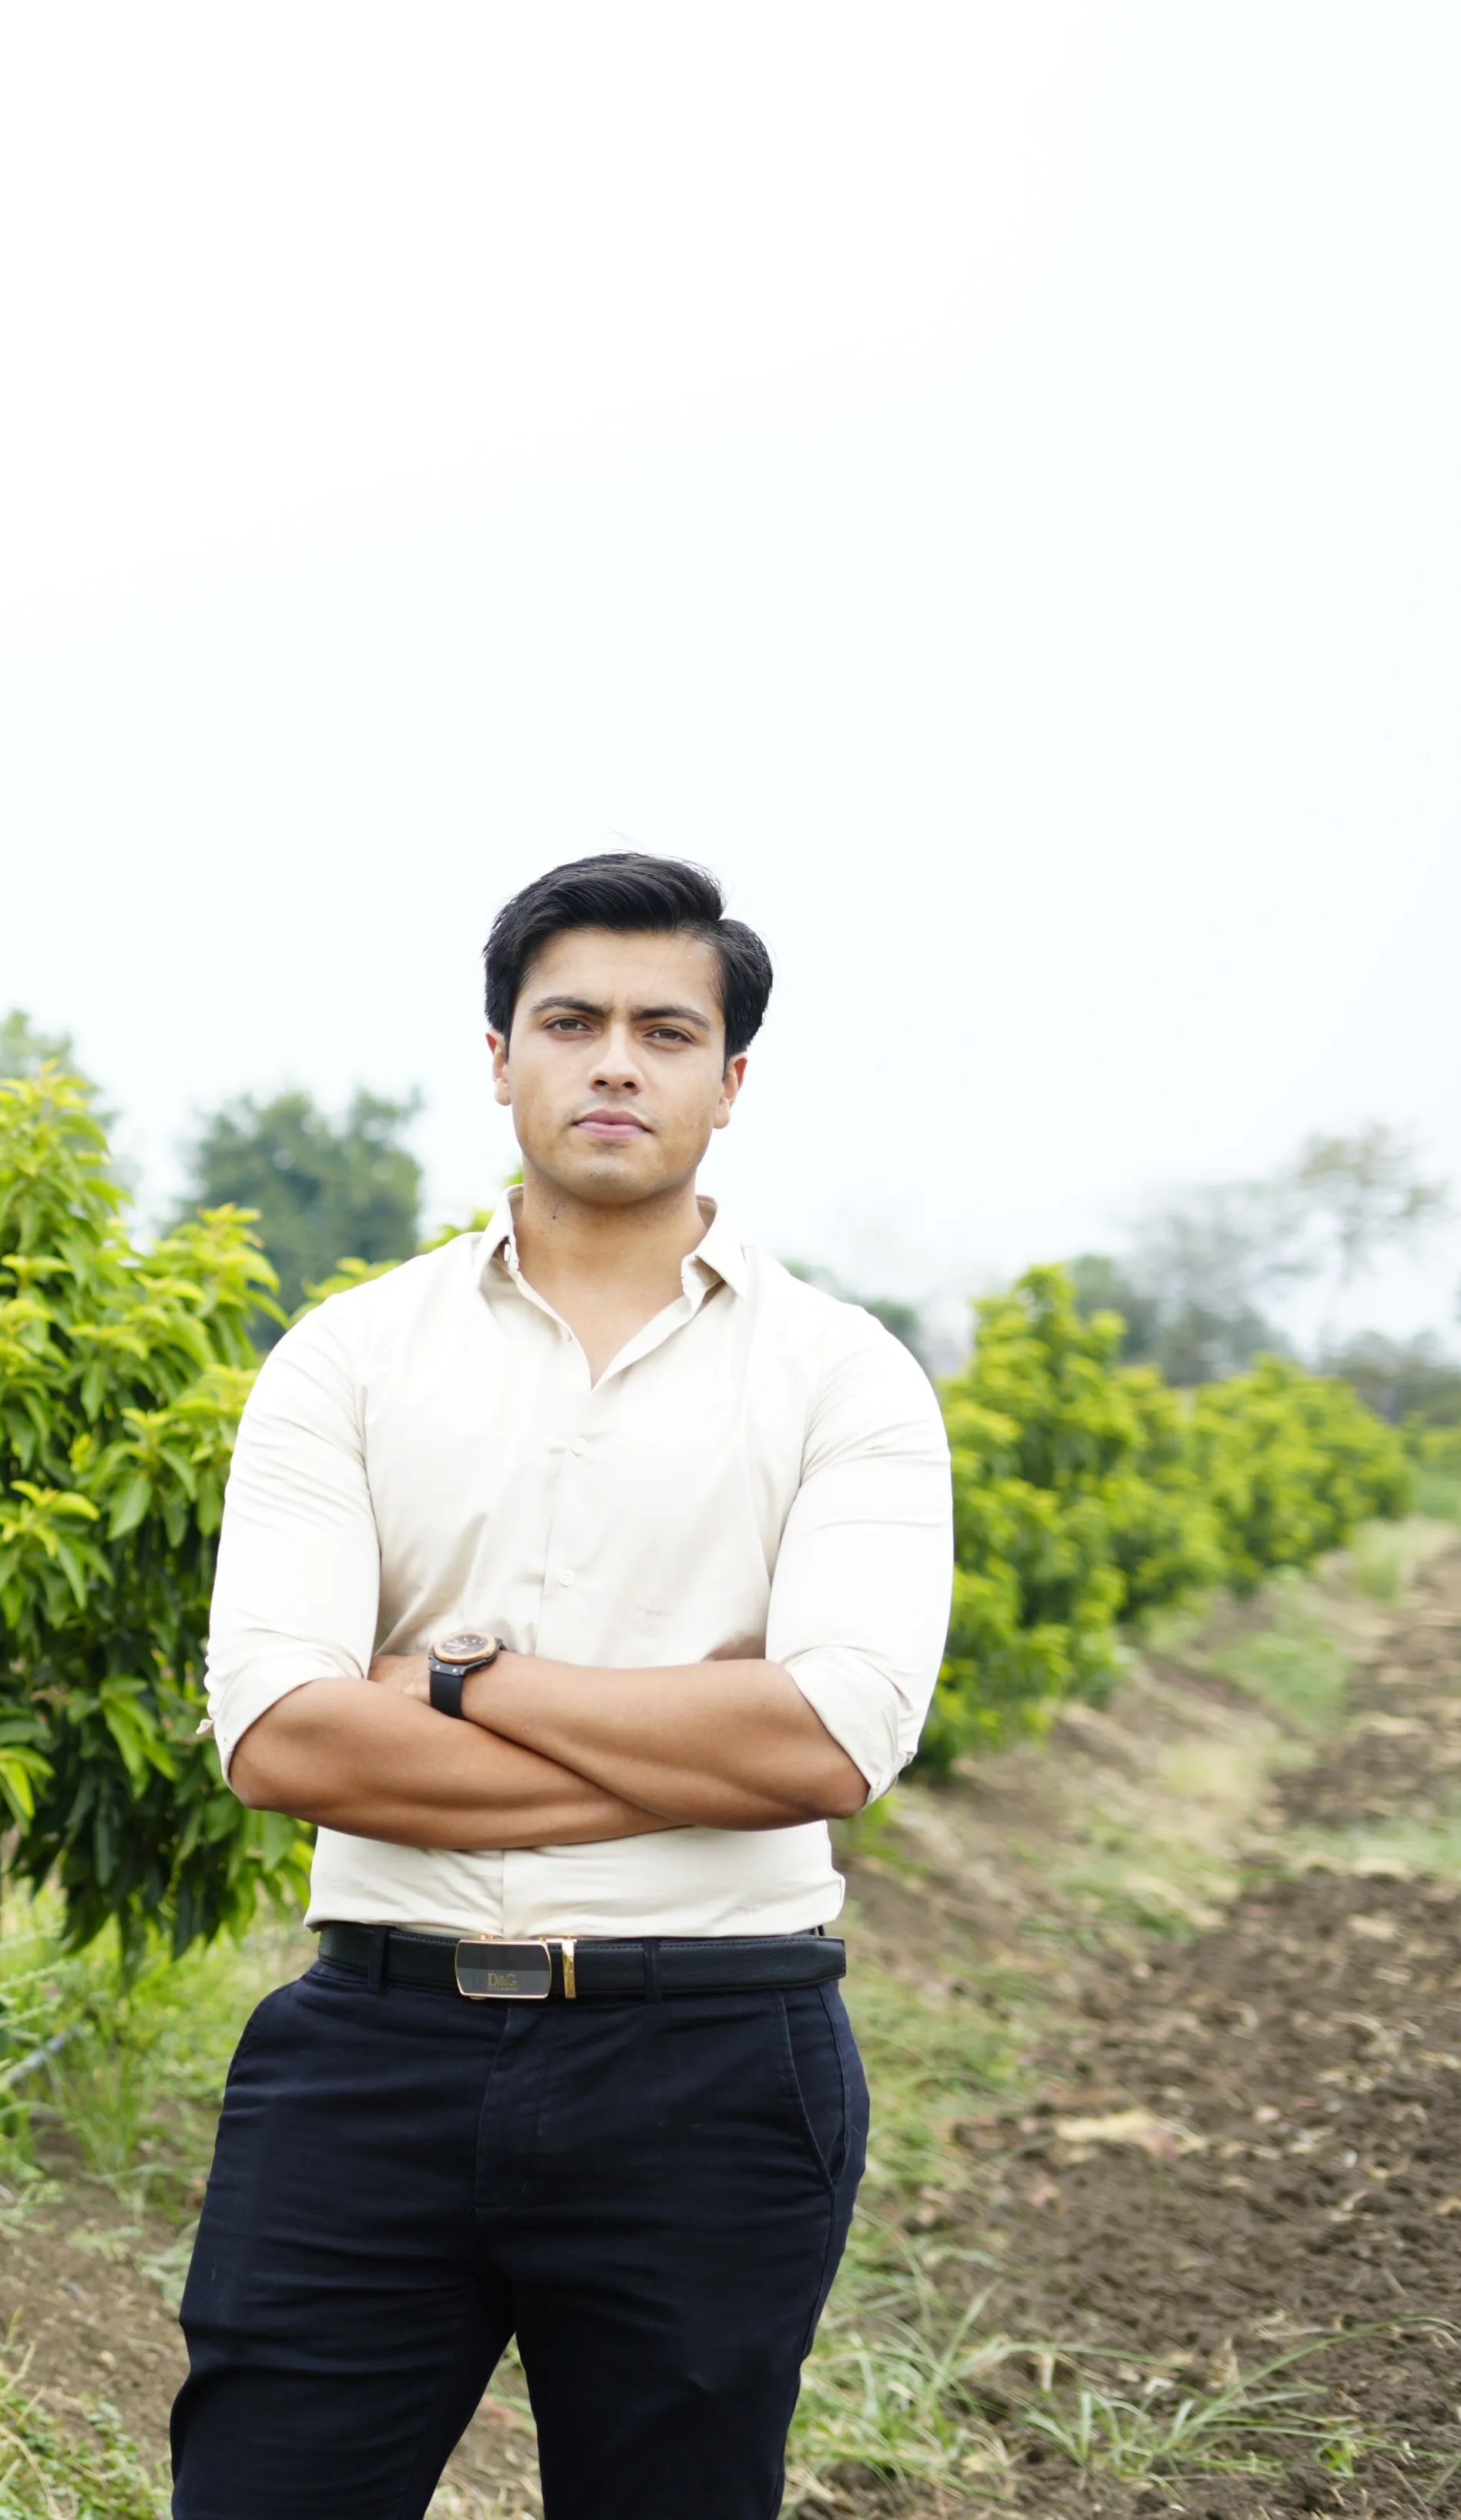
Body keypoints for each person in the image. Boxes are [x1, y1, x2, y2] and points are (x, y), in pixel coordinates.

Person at [170, 853, 953, 2520]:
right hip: (370, 2056)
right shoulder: (348, 1358)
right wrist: (697, 1745)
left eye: (665, 1031)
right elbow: (282, 1734)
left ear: (728, 1083)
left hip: (715, 2065)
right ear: (499, 1054)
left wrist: (460, 1682)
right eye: (571, 1020)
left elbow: (830, 1738)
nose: (615, 1060)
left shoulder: (843, 1377)